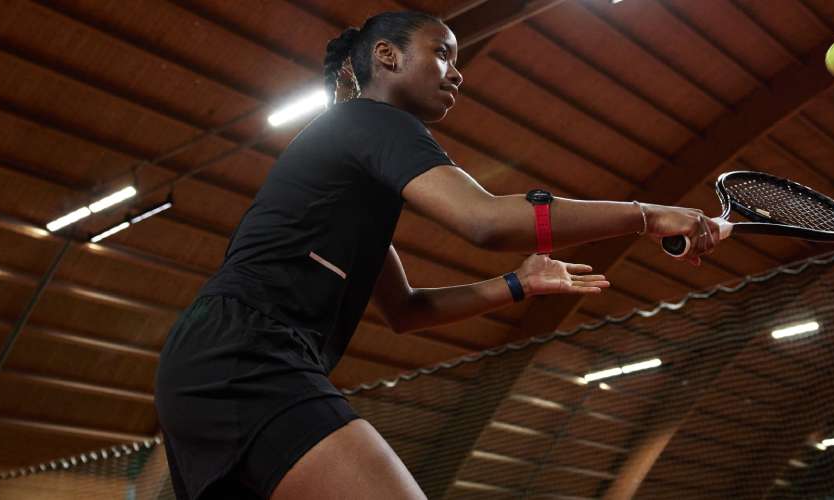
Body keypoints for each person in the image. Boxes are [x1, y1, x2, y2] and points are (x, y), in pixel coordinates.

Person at [154, 10, 719, 500]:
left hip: (208, 365)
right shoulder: (370, 120)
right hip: (246, 354)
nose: (458, 71)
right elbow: (487, 220)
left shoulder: (354, 172)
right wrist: (646, 215)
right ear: (387, 57)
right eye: (442, 53)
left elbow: (405, 311)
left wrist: (519, 284)